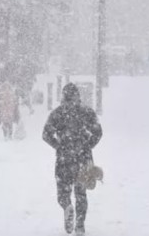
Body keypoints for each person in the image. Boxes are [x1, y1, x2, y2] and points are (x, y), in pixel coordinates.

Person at [43, 83, 103, 235]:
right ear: (78, 96)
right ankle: (80, 226)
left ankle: (67, 206)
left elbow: (45, 134)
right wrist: (88, 146)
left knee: (63, 191)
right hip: (82, 159)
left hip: (64, 158)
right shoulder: (87, 112)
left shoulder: (58, 113)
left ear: (63, 96)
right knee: (81, 194)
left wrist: (58, 146)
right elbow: (98, 132)